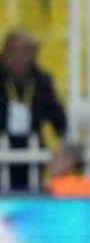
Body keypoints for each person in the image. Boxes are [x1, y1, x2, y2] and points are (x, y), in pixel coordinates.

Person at [0, 29, 67, 191]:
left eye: (25, 51)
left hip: (33, 152)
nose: (19, 57)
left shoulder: (42, 81)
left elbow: (59, 120)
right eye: (14, 51)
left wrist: (62, 145)